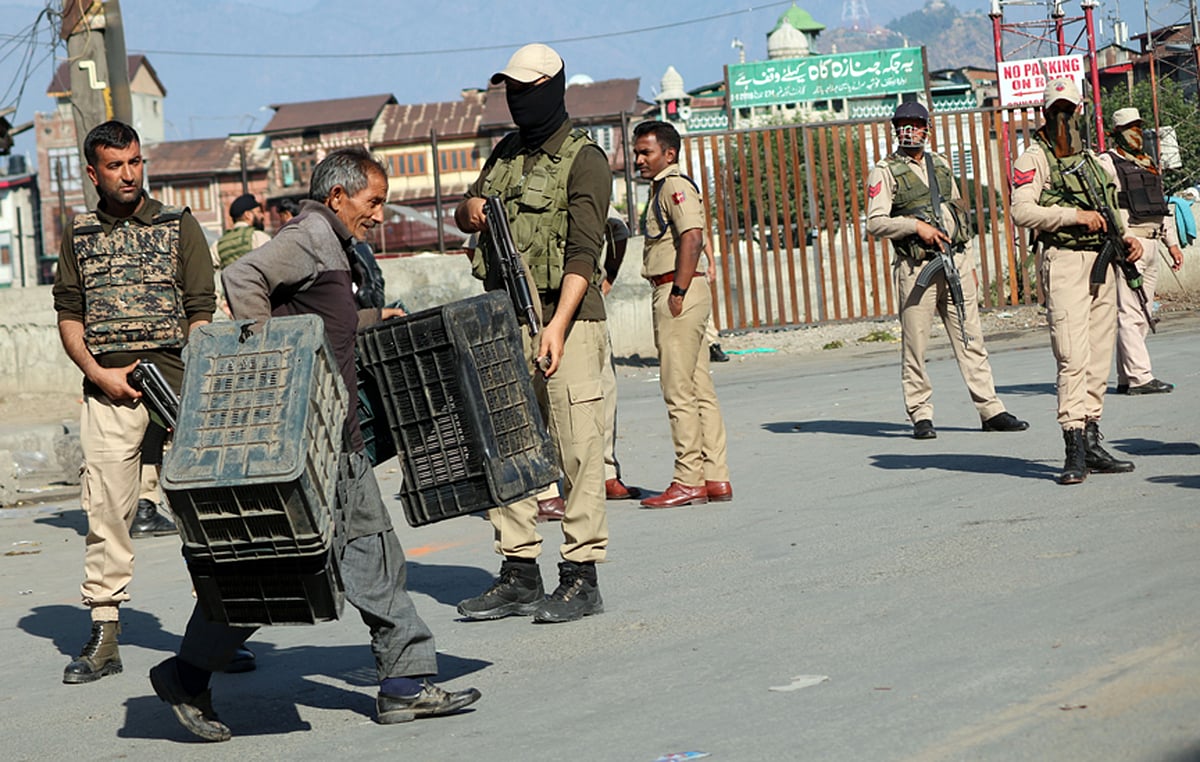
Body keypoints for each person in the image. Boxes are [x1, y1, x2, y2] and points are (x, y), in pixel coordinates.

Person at [148, 147, 480, 741]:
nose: (378, 213)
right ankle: (187, 674)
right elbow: (242, 277)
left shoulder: (336, 244)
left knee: (361, 558)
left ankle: (403, 683)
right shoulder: (308, 236)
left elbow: (323, 323)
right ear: (338, 196)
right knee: (277, 573)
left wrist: (374, 318)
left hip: (336, 439)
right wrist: (269, 359)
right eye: (373, 201)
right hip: (307, 444)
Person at [52, 120, 215, 685]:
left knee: (202, 514)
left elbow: (201, 310)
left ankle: (215, 633)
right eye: (115, 165)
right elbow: (69, 313)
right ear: (93, 173)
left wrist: (189, 384)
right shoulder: (78, 235)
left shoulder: (179, 225)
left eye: (135, 162)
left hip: (178, 391)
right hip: (109, 393)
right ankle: (104, 634)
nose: (128, 174)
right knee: (106, 513)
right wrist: (99, 373)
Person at [453, 43, 610, 623]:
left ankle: (581, 576)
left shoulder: (584, 159)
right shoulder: (505, 153)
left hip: (566, 320)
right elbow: (466, 211)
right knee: (508, 446)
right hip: (505, 319)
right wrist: (470, 210)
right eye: (511, 91)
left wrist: (557, 327)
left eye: (526, 89)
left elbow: (584, 252)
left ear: (553, 87)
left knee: (577, 449)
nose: (517, 100)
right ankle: (519, 572)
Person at [865, 101, 1029, 441]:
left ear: (927, 129)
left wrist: (968, 261)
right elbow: (876, 222)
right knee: (916, 346)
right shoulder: (885, 171)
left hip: (955, 263)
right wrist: (914, 226)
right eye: (903, 125)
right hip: (917, 269)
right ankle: (921, 414)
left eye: (915, 124)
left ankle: (990, 410)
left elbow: (956, 210)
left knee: (971, 338)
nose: (909, 130)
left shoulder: (939, 163)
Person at [1011, 78, 1143, 485]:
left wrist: (1128, 238)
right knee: (1071, 355)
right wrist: (1073, 216)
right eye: (1057, 110)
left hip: (1103, 261)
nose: (1064, 117)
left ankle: (1091, 438)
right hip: (1065, 260)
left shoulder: (1093, 161)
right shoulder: (1033, 158)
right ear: (1046, 113)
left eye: (1070, 109)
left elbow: (1112, 208)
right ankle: (1073, 448)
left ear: (1080, 111)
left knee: (1099, 354)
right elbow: (1021, 211)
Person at [632, 120, 733, 509]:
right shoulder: (663, 187)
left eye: (646, 152)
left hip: (678, 289)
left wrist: (677, 291)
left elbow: (692, 237)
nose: (639, 160)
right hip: (682, 288)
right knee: (698, 386)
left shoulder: (674, 186)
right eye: (637, 153)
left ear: (669, 153)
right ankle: (714, 477)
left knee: (677, 389)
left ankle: (688, 478)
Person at [1099, 107, 1184, 395]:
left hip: (1152, 242)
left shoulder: (1147, 163)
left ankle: (1126, 377)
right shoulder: (1107, 163)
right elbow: (1106, 206)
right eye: (1129, 128)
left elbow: (1161, 207)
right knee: (1130, 311)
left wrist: (1172, 244)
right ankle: (1140, 377)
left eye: (1138, 126)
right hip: (1130, 245)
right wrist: (1122, 238)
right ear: (1117, 133)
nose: (1135, 133)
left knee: (1143, 311)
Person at [600, 210, 639, 500]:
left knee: (603, 389)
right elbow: (472, 243)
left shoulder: (579, 181)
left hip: (582, 298)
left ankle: (605, 473)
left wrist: (609, 275)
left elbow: (618, 230)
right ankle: (544, 487)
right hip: (530, 301)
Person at [210, 193, 270, 269]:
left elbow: (210, 268)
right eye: (258, 212)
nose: (262, 216)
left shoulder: (218, 244)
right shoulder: (259, 237)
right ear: (248, 215)